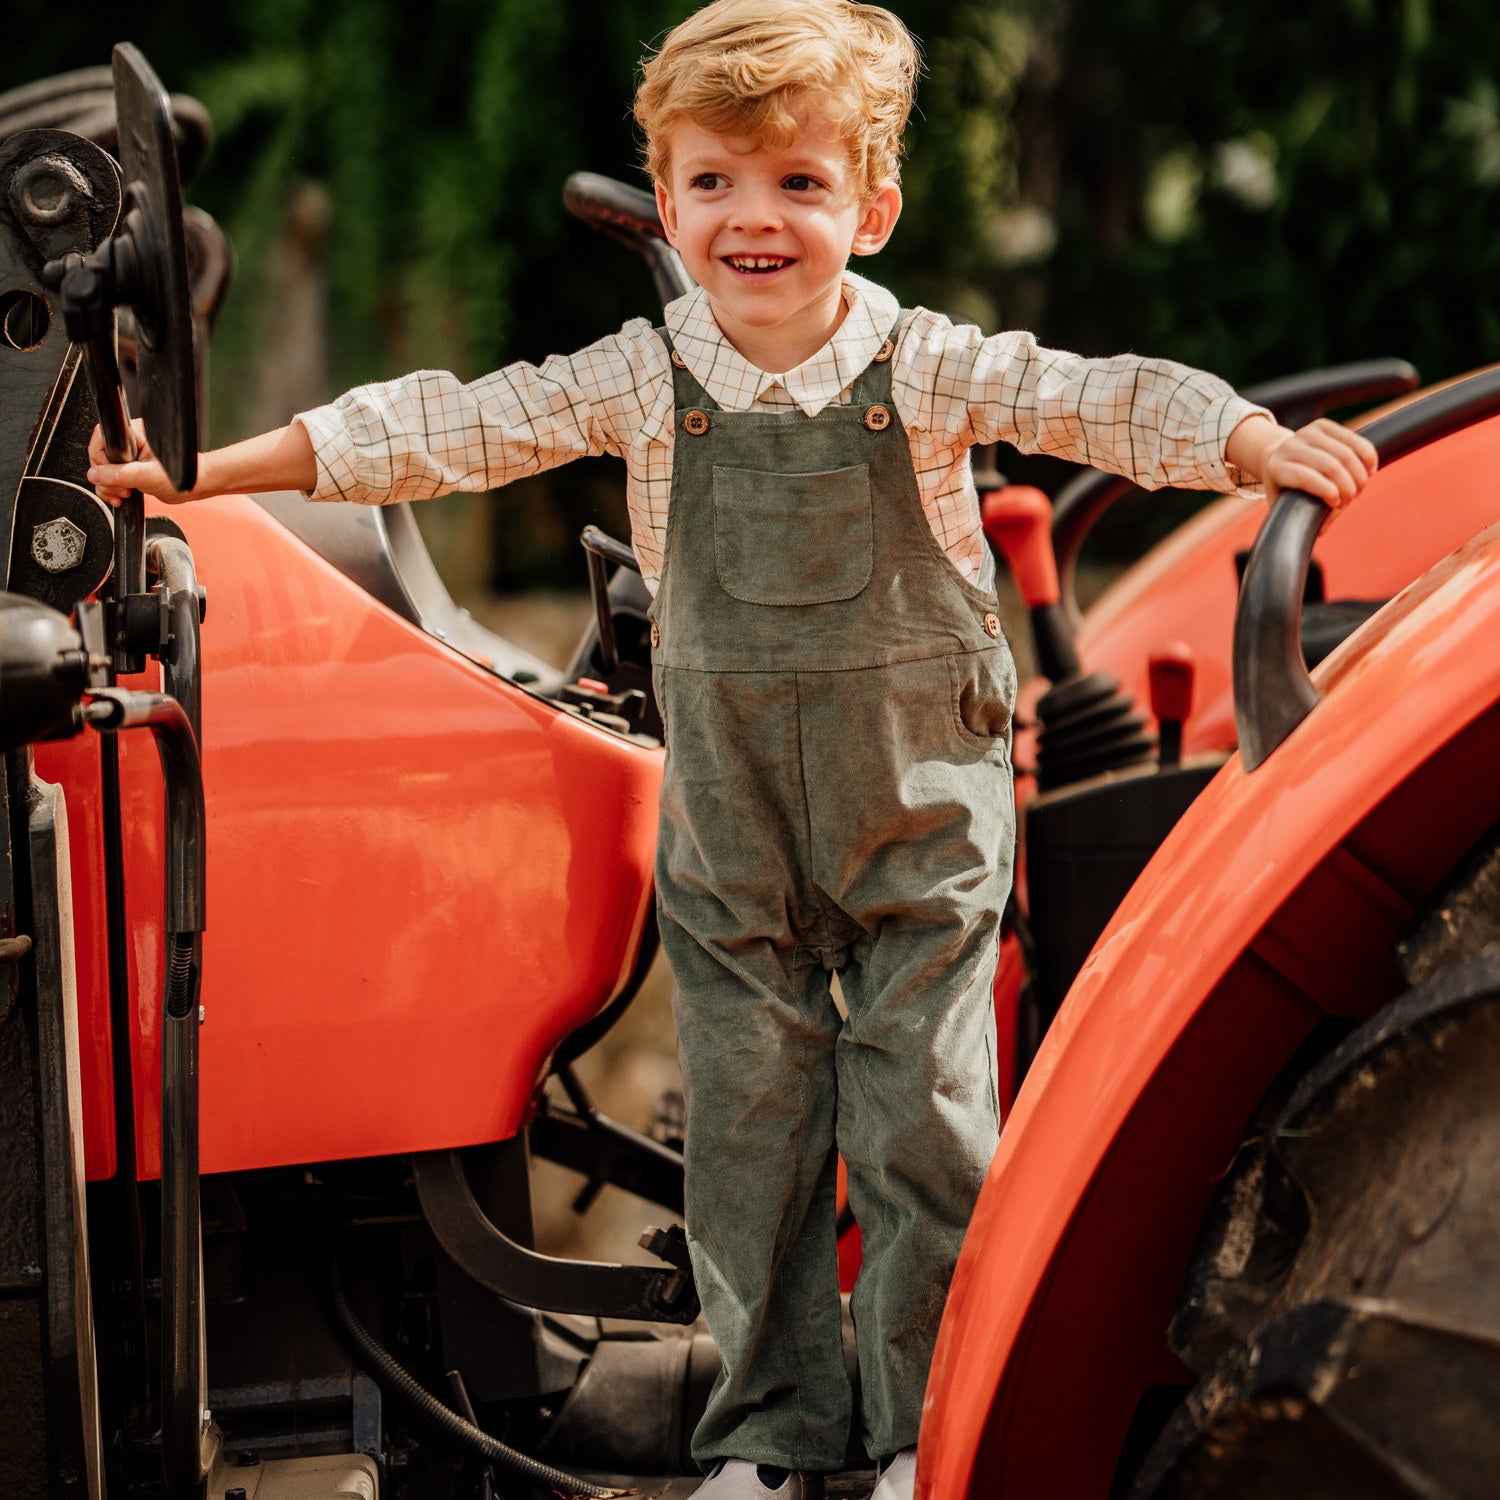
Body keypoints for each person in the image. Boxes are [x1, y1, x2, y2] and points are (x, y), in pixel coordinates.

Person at [89, 3, 1378, 1497]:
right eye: (712, 184)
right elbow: (447, 427)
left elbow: (1096, 395)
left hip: (915, 827)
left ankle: (917, 1440)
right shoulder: (645, 379)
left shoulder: (937, 370)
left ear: (872, 207)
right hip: (732, 830)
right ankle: (767, 1443)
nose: (752, 220)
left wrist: (1246, 443)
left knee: (924, 1132)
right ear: (667, 191)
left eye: (799, 185)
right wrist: (210, 476)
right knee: (750, 1142)